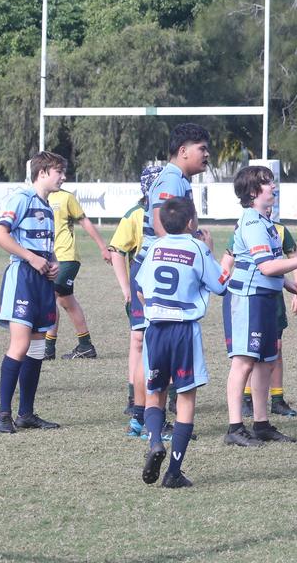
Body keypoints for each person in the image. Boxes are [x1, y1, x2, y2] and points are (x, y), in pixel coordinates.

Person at [223, 165, 297, 447]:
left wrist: (286, 284)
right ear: (254, 191)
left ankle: (261, 423)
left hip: (266, 298)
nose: (274, 188)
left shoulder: (265, 221)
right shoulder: (253, 222)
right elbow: (265, 266)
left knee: (265, 363)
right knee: (243, 361)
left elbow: (269, 268)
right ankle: (234, 427)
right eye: (269, 184)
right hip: (249, 299)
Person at [135, 197, 225, 489]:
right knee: (185, 398)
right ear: (191, 223)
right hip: (183, 330)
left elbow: (141, 288)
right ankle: (173, 472)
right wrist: (211, 251)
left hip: (155, 329)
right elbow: (220, 285)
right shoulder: (198, 248)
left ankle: (154, 442)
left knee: (154, 393)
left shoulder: (155, 247)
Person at [0, 151, 66, 434]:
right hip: (23, 277)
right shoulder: (22, 198)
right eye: (59, 171)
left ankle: (26, 414)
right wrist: (31, 258)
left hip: (42, 281)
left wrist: (53, 261)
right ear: (44, 172)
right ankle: (3, 413)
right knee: (20, 345)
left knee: (36, 348)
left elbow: (46, 247)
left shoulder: (48, 207)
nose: (62, 177)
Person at [222, 221, 297, 419]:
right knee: (249, 352)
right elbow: (227, 260)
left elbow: (294, 258)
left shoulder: (280, 230)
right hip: (252, 296)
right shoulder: (246, 227)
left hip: (272, 297)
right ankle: (247, 400)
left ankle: (276, 400)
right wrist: (224, 283)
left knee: (275, 348)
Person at [108, 164, 162, 431]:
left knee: (161, 340)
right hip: (140, 282)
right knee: (139, 339)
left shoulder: (171, 211)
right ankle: (135, 397)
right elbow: (116, 250)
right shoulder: (135, 215)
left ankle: (166, 396)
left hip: (162, 284)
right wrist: (125, 289)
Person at [42, 187, 111, 360]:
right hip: (49, 257)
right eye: (58, 171)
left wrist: (103, 246)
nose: (63, 176)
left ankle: (48, 349)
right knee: (67, 302)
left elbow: (84, 221)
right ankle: (85, 346)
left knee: (49, 298)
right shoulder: (37, 196)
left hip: (66, 258)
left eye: (63, 171)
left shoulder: (66, 197)